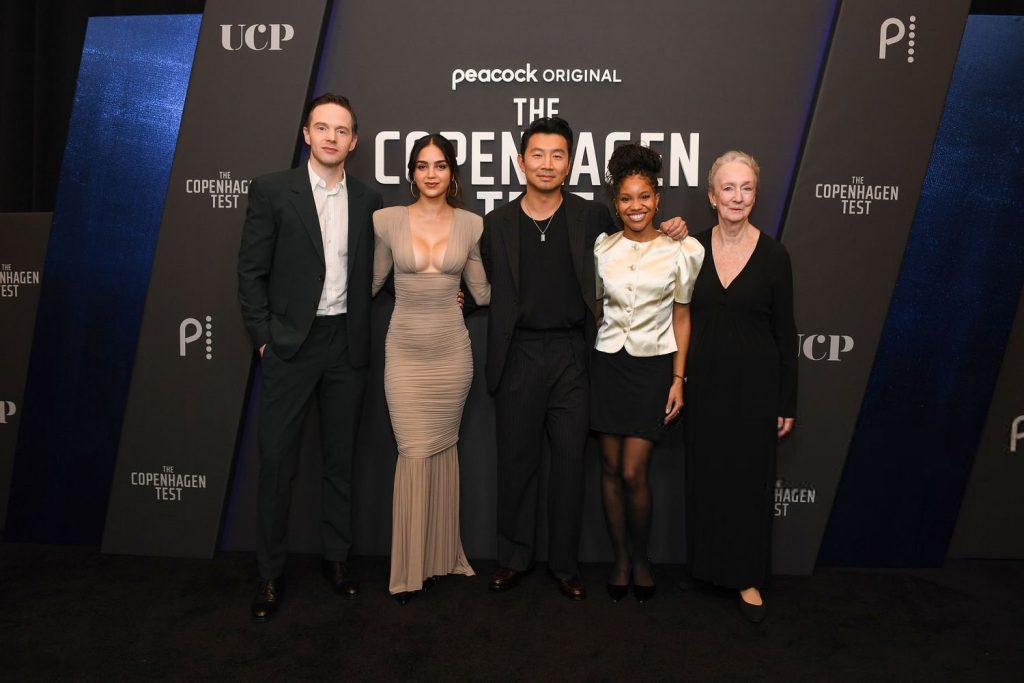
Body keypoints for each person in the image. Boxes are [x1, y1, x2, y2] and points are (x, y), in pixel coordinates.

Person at [481, 117, 688, 600]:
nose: (547, 164)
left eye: (557, 155)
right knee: (516, 463)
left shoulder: (592, 216)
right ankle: (513, 558)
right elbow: (478, 282)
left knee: (571, 464)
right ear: (520, 161)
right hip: (518, 354)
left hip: (576, 354)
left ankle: (564, 564)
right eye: (538, 154)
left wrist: (677, 228)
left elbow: (643, 238)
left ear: (570, 163)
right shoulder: (496, 223)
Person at [238, 93, 383, 622]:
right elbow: (250, 271)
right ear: (306, 134)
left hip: (347, 344)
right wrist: (263, 337)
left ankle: (337, 561)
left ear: (353, 141)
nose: (330, 137)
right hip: (290, 346)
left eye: (341, 130)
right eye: (321, 127)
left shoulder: (370, 199)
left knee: (340, 461)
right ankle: (270, 574)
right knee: (277, 462)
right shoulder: (274, 190)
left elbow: (386, 270)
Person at [371, 134, 490, 604]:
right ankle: (409, 569)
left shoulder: (471, 226)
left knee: (441, 453)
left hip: (451, 357)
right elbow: (374, 281)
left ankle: (439, 558)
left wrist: (463, 295)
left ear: (452, 173)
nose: (432, 174)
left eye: (440, 165)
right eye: (423, 166)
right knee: (415, 453)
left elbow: (482, 293)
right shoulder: (387, 222)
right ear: (412, 173)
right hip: (404, 354)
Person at [684, 150, 797, 623]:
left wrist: (786, 400)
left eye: (746, 188)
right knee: (709, 476)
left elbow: (786, 331)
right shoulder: (689, 247)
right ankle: (710, 568)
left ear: (755, 195)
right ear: (712, 196)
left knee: (749, 482)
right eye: (727, 188)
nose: (737, 196)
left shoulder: (774, 255)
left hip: (756, 387)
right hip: (704, 382)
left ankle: (747, 577)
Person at [591, 144, 704, 603]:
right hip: (607, 363)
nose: (635, 206)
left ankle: (642, 558)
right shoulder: (603, 248)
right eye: (625, 199)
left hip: (654, 366)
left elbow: (683, 317)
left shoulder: (684, 250)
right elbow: (596, 307)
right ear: (615, 204)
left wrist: (678, 379)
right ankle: (620, 559)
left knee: (636, 471)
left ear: (658, 199)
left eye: (644, 197)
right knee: (610, 467)